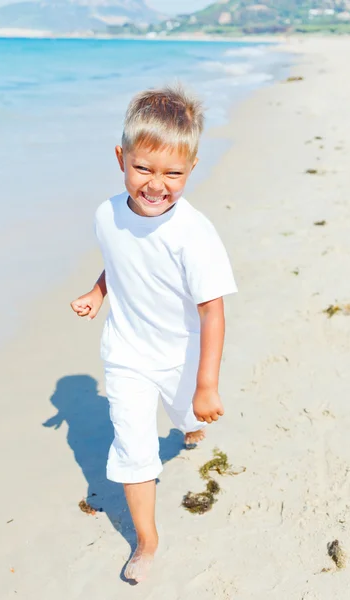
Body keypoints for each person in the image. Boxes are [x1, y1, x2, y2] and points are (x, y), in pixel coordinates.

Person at [70, 85, 237, 582]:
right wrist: (99, 294)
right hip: (126, 355)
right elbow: (119, 258)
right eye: (143, 168)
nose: (156, 184)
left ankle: (189, 421)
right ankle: (147, 540)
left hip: (181, 353)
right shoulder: (107, 213)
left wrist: (207, 382)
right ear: (121, 157)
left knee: (189, 412)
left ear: (192, 168)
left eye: (173, 174)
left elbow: (213, 312)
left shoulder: (194, 234)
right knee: (133, 448)